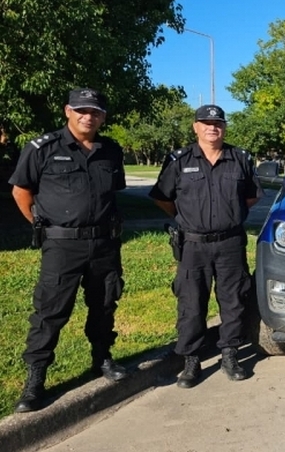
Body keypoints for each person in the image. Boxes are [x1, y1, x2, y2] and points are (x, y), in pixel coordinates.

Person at [8, 88, 128, 413]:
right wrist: (42, 225)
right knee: (50, 310)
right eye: (81, 110)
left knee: (104, 303)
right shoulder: (42, 148)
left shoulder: (111, 150)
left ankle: (101, 358)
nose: (88, 116)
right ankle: (35, 380)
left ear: (103, 117)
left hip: (104, 243)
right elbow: (21, 191)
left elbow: (112, 194)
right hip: (62, 245)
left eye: (95, 112)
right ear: (68, 111)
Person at [149, 104, 262, 388]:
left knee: (234, 300)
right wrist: (186, 218)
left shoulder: (240, 158)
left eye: (218, 123)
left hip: (230, 243)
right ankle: (191, 360)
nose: (213, 128)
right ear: (196, 127)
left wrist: (229, 215)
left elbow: (251, 197)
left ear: (224, 127)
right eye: (206, 123)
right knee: (191, 303)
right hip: (193, 245)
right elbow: (162, 197)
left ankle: (230, 354)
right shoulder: (179, 160)